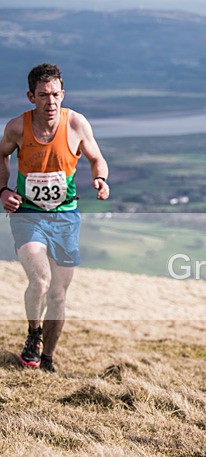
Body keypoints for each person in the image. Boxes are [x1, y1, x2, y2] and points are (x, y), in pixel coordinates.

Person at [0, 63, 110, 373]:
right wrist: (3, 190)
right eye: (44, 95)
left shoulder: (76, 123)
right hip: (28, 214)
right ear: (30, 96)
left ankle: (47, 358)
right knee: (41, 279)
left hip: (65, 217)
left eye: (56, 94)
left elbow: (96, 158)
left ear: (63, 94)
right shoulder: (17, 127)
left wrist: (100, 179)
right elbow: (2, 154)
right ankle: (34, 333)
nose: (51, 102)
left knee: (59, 293)